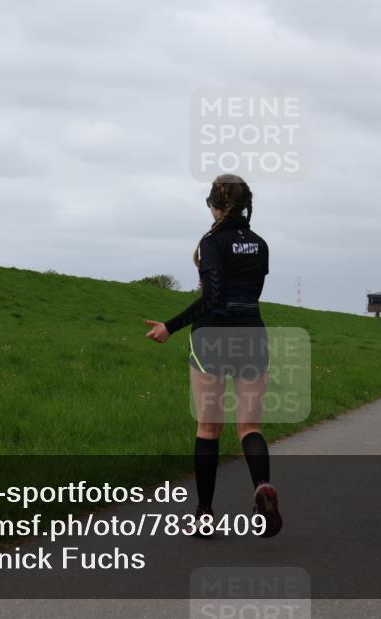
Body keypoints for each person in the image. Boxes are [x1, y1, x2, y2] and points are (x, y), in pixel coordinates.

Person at [143, 174, 282, 539]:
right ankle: (262, 485)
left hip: (214, 336)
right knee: (250, 427)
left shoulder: (211, 242)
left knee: (208, 428)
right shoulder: (260, 244)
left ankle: (204, 514)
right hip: (251, 333)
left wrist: (170, 326)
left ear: (215, 205)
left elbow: (213, 296)